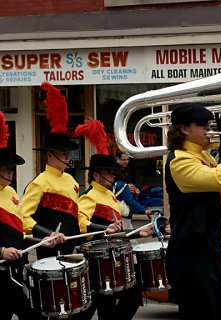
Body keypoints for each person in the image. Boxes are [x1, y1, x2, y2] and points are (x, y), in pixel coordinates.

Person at [164, 104, 221, 320]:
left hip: (210, 248)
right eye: (203, 125)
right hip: (189, 252)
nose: (209, 129)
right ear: (184, 129)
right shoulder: (179, 160)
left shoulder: (208, 159)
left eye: (210, 125)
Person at [76, 119, 153, 320]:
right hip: (98, 261)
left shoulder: (111, 196)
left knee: (130, 299)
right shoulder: (88, 197)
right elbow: (81, 224)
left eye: (112, 173)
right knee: (101, 306)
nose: (112, 177)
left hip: (115, 257)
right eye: (108, 173)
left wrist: (138, 232)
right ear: (96, 176)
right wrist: (103, 229)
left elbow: (116, 229)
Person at [0, 112, 58, 320]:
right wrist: (2, 251)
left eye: (12, 169)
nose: (11, 173)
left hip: (15, 269)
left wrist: (41, 240)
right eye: (6, 169)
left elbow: (19, 232)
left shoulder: (12, 193)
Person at [21, 82, 80, 260]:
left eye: (68, 153)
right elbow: (23, 217)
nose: (67, 157)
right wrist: (47, 233)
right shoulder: (39, 182)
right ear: (49, 155)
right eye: (63, 153)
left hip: (73, 247)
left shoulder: (72, 180)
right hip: (49, 250)